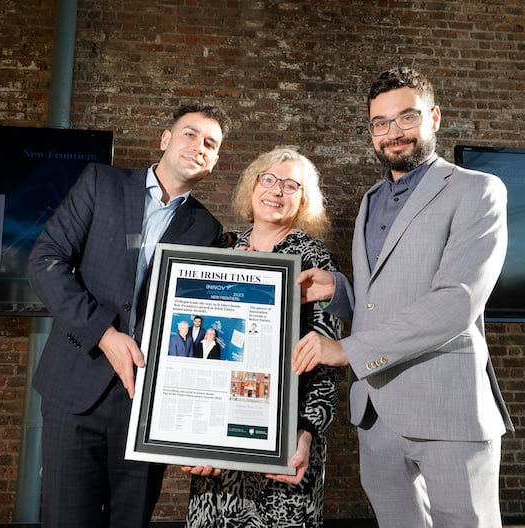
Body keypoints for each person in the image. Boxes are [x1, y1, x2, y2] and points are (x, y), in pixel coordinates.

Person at [292, 66, 514, 528]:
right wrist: (341, 291)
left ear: (433, 117)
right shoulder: (371, 198)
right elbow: (384, 299)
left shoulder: (478, 190)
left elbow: (456, 301)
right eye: (380, 123)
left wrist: (346, 349)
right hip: (377, 416)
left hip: (448, 409)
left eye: (406, 118)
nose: (394, 133)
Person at [26, 102, 231, 527]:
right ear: (165, 140)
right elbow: (46, 260)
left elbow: (200, 316)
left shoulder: (207, 229)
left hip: (149, 403)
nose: (199, 146)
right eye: (190, 134)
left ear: (212, 163)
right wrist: (104, 333)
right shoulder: (101, 183)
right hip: (76, 388)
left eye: (210, 144)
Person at [182, 147, 343, 527]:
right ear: (252, 186)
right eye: (268, 179)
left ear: (303, 200)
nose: (276, 190)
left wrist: (305, 433)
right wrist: (185, 433)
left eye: (291, 185)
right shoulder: (219, 248)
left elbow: (325, 359)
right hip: (217, 438)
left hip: (284, 440)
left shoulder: (315, 259)